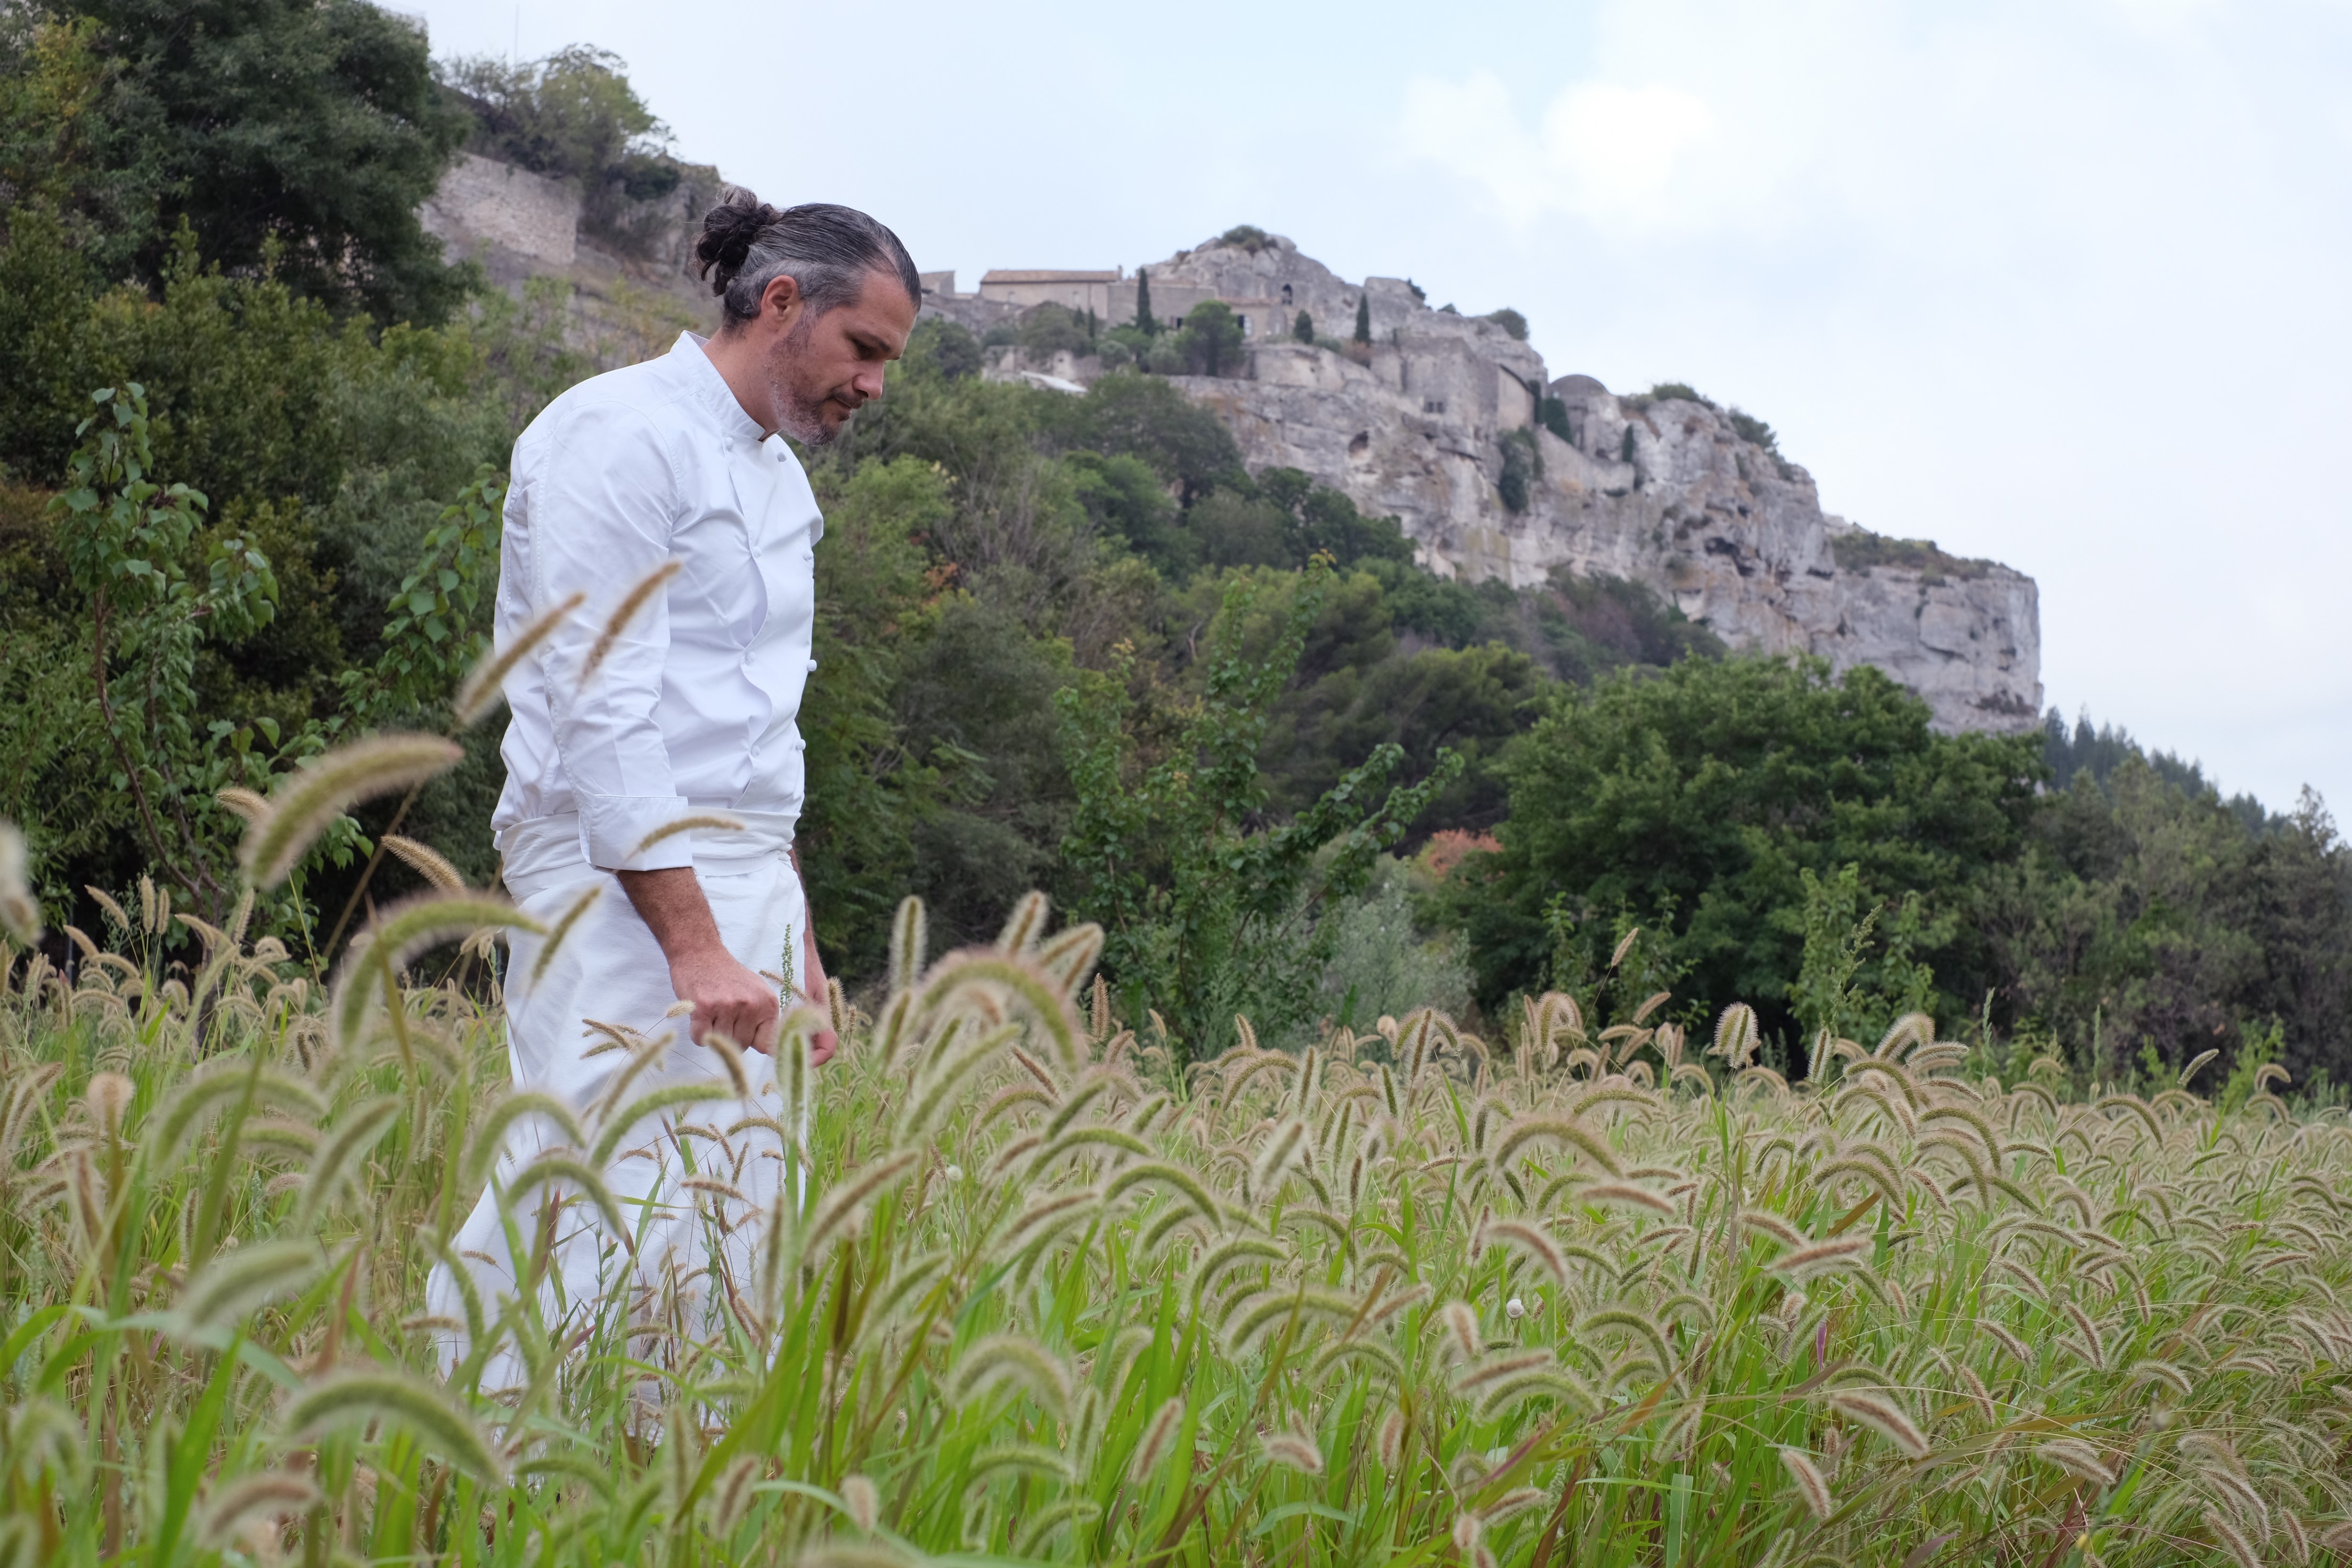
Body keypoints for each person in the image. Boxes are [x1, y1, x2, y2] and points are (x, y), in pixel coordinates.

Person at [427, 191, 920, 1390]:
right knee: (593, 1190)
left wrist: (790, 938)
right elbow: (607, 712)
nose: (875, 386)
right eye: (866, 350)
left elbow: (760, 734)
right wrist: (695, 944)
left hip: (746, 883)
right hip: (617, 890)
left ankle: (657, 1491)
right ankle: (482, 1472)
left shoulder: (781, 483)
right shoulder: (615, 433)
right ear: (782, 302)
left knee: (726, 1227)